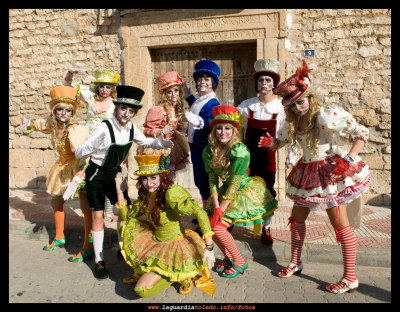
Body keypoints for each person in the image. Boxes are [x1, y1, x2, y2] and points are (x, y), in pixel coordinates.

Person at [261, 60, 372, 294]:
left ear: (309, 97)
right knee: (297, 218)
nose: (298, 108)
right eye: (292, 105)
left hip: (330, 173)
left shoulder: (324, 115)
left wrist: (350, 158)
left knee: (340, 225)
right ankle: (296, 262)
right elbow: (283, 141)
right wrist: (272, 142)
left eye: (301, 101)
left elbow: (361, 132)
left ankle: (350, 278)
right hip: (306, 173)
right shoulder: (292, 122)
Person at [74, 85, 174, 280]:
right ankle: (99, 259)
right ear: (116, 108)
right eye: (123, 109)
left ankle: (122, 246)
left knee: (125, 209)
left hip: (114, 175)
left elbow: (146, 143)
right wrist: (92, 145)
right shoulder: (104, 127)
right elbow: (79, 152)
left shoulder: (131, 129)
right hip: (96, 175)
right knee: (98, 216)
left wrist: (161, 141)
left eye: (131, 111)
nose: (126, 114)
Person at [119, 154, 217, 298]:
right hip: (154, 242)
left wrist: (209, 247)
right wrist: (120, 192)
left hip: (175, 246)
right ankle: (149, 272)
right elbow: (128, 217)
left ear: (162, 176)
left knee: (141, 290)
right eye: (145, 178)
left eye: (153, 177)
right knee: (124, 225)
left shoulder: (171, 193)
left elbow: (199, 212)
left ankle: (181, 276)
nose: (149, 183)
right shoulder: (147, 194)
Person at [203, 105, 278, 278]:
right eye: (219, 128)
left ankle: (240, 262)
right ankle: (229, 258)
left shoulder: (240, 150)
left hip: (242, 190)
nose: (223, 132)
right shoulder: (209, 151)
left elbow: (235, 182)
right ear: (214, 130)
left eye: (227, 128)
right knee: (211, 227)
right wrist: (215, 206)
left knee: (219, 228)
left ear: (234, 130)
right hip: (225, 191)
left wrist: (220, 210)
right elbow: (213, 179)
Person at [21, 86, 94, 262]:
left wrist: (78, 178)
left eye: (67, 110)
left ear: (73, 112)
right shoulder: (53, 125)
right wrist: (26, 123)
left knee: (85, 206)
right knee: (56, 201)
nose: (63, 113)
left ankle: (88, 246)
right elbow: (35, 125)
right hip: (62, 167)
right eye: (59, 109)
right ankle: (60, 236)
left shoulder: (77, 130)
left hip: (79, 168)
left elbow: (85, 156)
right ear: (54, 111)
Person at [237, 58, 296, 246]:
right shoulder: (246, 106)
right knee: (240, 188)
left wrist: (275, 142)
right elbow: (235, 129)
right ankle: (234, 220)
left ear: (274, 84)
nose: (264, 84)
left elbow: (288, 136)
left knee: (268, 192)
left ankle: (266, 227)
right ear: (257, 83)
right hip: (248, 157)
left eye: (268, 80)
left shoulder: (281, 108)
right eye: (261, 80)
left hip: (268, 159)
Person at [63, 68, 120, 227]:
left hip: (107, 143)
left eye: (107, 87)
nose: (104, 90)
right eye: (101, 86)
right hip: (88, 142)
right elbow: (69, 84)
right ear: (97, 87)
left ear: (112, 88)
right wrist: (70, 72)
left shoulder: (116, 104)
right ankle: (93, 207)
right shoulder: (89, 96)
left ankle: (109, 210)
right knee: (87, 175)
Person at [183, 60, 221, 211]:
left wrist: (201, 122)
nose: (202, 83)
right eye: (199, 80)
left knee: (205, 181)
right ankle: (205, 211)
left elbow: (212, 123)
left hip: (204, 148)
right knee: (199, 181)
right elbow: (196, 106)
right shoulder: (200, 99)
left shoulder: (212, 102)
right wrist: (188, 96)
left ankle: (208, 214)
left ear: (213, 83)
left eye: (206, 79)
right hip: (195, 146)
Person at [137, 71, 190, 175]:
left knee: (169, 176)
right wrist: (162, 131)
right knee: (158, 175)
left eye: (176, 91)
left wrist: (187, 129)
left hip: (172, 147)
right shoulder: (158, 110)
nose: (173, 94)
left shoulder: (176, 109)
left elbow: (175, 127)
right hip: (158, 147)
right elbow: (146, 131)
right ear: (165, 94)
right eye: (169, 92)